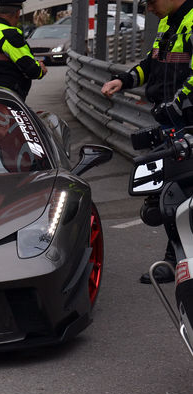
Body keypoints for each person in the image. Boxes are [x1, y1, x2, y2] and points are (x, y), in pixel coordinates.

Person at [101, 0, 193, 284]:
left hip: (187, 122)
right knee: (170, 192)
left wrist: (176, 105)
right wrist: (125, 80)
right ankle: (177, 257)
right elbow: (152, 64)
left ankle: (177, 259)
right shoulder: (169, 22)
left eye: (151, 2)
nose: (149, 9)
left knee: (180, 191)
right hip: (170, 122)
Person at [0, 0, 47, 101]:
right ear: (18, 13)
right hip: (8, 97)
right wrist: (40, 68)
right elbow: (32, 70)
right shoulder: (9, 36)